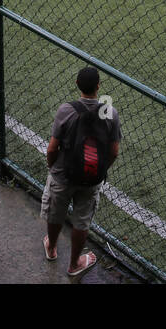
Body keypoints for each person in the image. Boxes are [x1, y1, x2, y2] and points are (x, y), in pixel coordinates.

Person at [43, 66, 121, 277]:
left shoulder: (66, 110)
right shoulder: (110, 113)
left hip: (63, 174)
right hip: (91, 178)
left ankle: (51, 247)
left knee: (56, 212)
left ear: (77, 85)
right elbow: (114, 151)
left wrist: (53, 168)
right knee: (81, 221)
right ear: (98, 87)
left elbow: (52, 148)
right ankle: (74, 264)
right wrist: (99, 169)